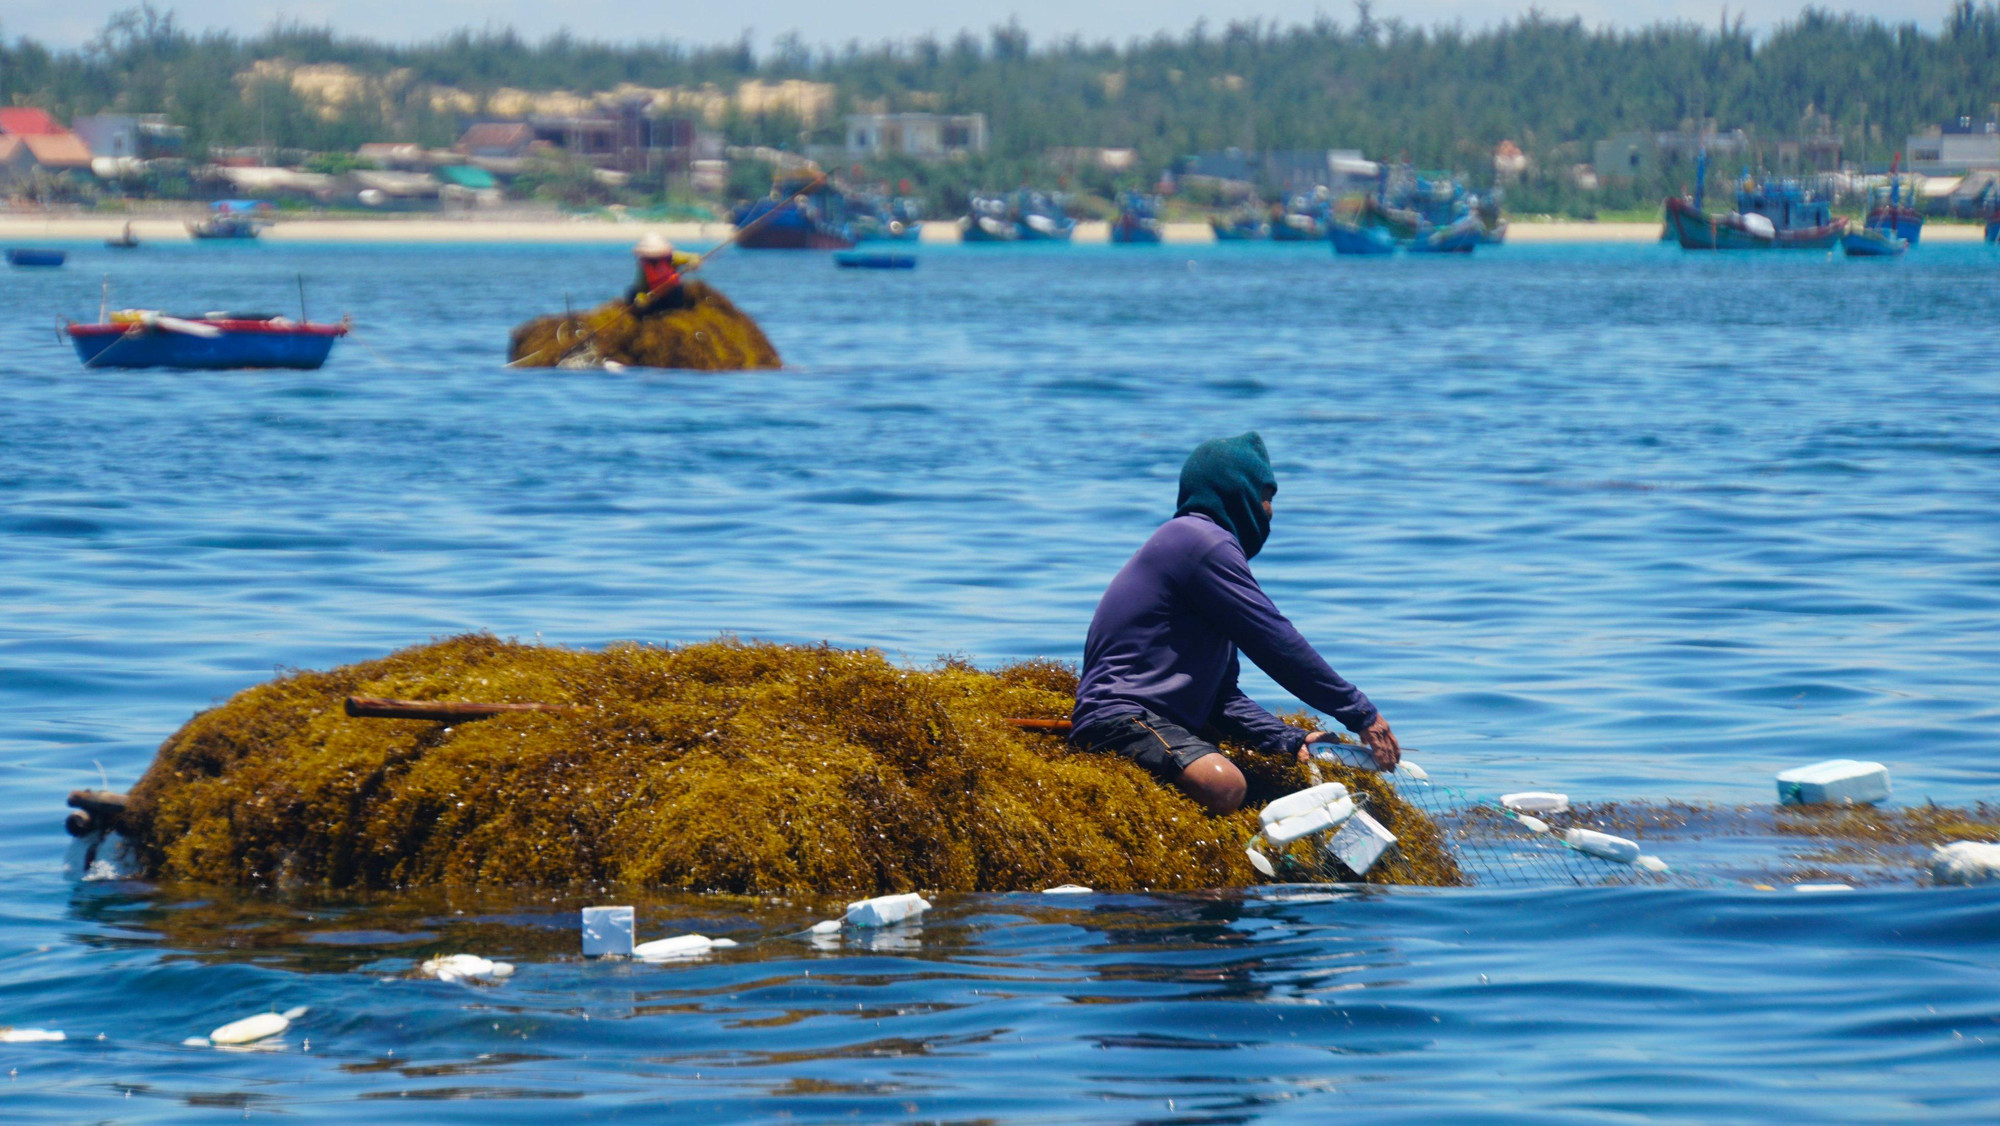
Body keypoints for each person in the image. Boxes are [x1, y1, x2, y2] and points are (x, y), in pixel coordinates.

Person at [1068, 432, 1400, 815]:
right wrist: (1360, 713)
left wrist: (1291, 739)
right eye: (1267, 497)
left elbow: (1221, 699)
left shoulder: (1196, 548)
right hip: (1121, 719)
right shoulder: (1200, 542)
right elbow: (1275, 641)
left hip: (1157, 723)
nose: (1270, 512)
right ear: (1235, 492)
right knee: (1224, 784)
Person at [627, 232, 698, 313]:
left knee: (678, 293)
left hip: (671, 294)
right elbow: (641, 286)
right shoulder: (644, 266)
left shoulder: (671, 257)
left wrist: (693, 262)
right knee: (632, 293)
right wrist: (641, 298)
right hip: (654, 296)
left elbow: (692, 257)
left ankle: (674, 311)